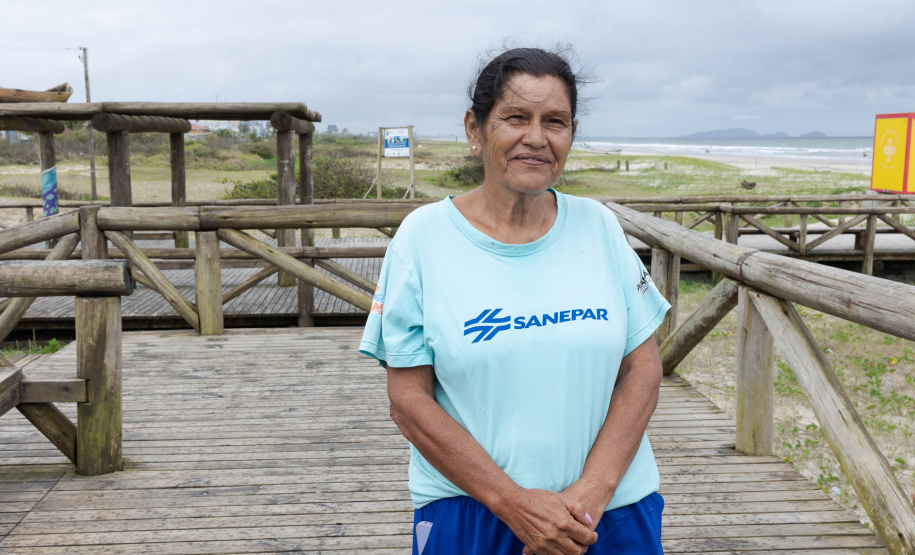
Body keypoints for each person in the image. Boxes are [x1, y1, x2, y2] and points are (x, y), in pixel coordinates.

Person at [360, 47, 669, 555]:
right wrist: (512, 502)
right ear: (475, 129)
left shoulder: (600, 227)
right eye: (516, 118)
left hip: (609, 512)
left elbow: (643, 369)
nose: (537, 138)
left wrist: (591, 494)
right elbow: (408, 400)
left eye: (556, 121)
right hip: (473, 509)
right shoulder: (422, 239)